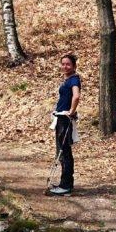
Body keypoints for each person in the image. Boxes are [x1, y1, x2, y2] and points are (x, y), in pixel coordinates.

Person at [49, 53, 80, 196]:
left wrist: (71, 111)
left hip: (65, 119)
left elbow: (76, 96)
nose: (65, 66)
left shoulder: (74, 79)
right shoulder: (67, 79)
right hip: (60, 117)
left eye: (68, 64)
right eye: (63, 64)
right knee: (64, 151)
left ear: (74, 66)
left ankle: (65, 186)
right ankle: (66, 183)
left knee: (64, 152)